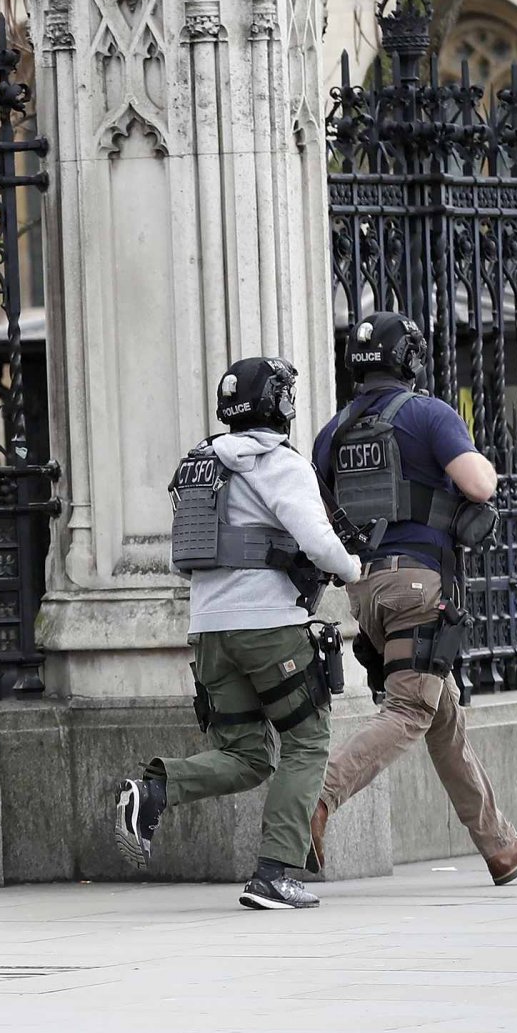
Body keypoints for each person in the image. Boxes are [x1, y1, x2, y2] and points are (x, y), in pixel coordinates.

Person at [306, 312, 517, 885]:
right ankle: (316, 800)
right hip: (421, 584)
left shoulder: (332, 432)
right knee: (412, 709)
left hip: (366, 591)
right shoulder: (429, 413)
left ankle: (499, 845)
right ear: (410, 360)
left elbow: (320, 509)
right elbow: (479, 484)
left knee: (443, 714)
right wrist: (479, 460)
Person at [111, 357, 360, 910]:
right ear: (279, 404)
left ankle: (155, 789)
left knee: (247, 754)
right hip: (269, 629)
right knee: (307, 741)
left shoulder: (200, 465)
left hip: (209, 633)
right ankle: (275, 873)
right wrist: (352, 569)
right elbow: (318, 544)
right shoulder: (281, 466)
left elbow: (186, 558)